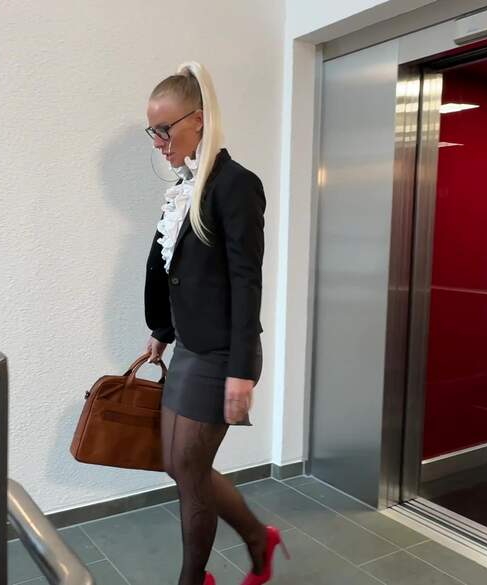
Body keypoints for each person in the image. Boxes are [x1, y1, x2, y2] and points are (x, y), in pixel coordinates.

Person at [143, 61, 288, 585]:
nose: (159, 142)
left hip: (225, 354)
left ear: (199, 119)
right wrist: (162, 331)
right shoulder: (184, 188)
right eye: (152, 131)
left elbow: (248, 281)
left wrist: (242, 371)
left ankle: (193, 580)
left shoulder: (236, 185)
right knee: (178, 465)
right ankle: (258, 539)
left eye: (165, 129)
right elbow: (173, 270)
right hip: (189, 348)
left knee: (190, 471)